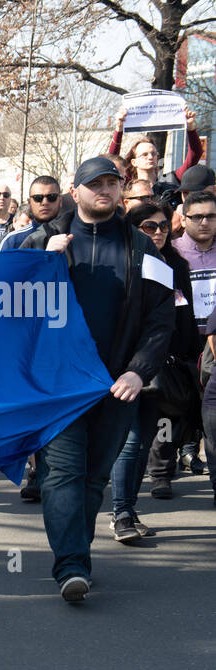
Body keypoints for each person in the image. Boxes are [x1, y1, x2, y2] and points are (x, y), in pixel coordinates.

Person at [20, 157, 175, 602]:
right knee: (62, 473)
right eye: (94, 184)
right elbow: (9, 310)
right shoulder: (41, 240)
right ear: (76, 189)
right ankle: (71, 565)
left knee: (93, 477)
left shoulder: (143, 248)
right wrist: (42, 267)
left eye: (112, 183)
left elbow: (161, 319)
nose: (104, 190)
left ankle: (75, 553)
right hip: (57, 383)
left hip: (116, 384)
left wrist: (138, 370)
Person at [108, 199, 201, 540]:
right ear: (134, 229)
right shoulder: (123, 261)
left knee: (145, 440)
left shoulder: (176, 264)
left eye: (163, 225)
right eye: (149, 226)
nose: (159, 232)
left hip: (165, 366)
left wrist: (189, 357)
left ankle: (129, 511)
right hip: (129, 366)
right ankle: (120, 514)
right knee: (131, 442)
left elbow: (184, 317)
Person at [148, 189, 216, 494]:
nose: (204, 222)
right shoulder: (172, 254)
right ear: (183, 218)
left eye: (211, 216)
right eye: (197, 216)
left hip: (212, 342)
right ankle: (161, 471)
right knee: (170, 410)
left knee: (209, 414)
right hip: (179, 344)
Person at [107, 107, 202, 200]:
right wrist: (119, 129)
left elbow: (195, 154)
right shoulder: (126, 185)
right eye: (144, 154)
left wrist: (190, 128)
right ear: (134, 162)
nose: (150, 157)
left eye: (153, 154)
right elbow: (111, 160)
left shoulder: (171, 180)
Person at [0, 176, 63, 251]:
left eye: (51, 197)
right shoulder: (12, 241)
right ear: (29, 202)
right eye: (38, 198)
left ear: (60, 201)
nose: (45, 202)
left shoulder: (73, 234)